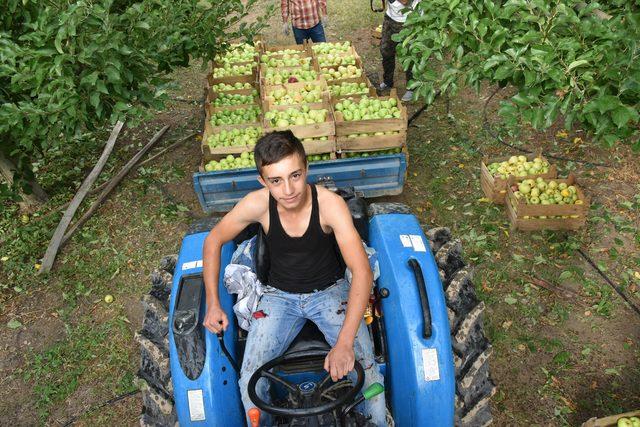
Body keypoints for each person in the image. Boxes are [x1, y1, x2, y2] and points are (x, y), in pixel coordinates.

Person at [202, 131, 387, 427]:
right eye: (276, 181)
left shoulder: (329, 205)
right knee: (250, 378)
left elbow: (362, 271)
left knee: (369, 376)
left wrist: (344, 343)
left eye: (295, 176)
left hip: (330, 292)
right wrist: (212, 303)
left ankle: (376, 423)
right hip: (278, 297)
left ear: (307, 170)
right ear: (263, 182)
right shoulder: (257, 204)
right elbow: (213, 241)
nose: (288, 190)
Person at [379, 0, 421, 102]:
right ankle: (388, 81)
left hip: (408, 20)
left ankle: (412, 87)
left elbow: (405, 2)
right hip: (390, 17)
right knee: (385, 50)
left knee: (409, 56)